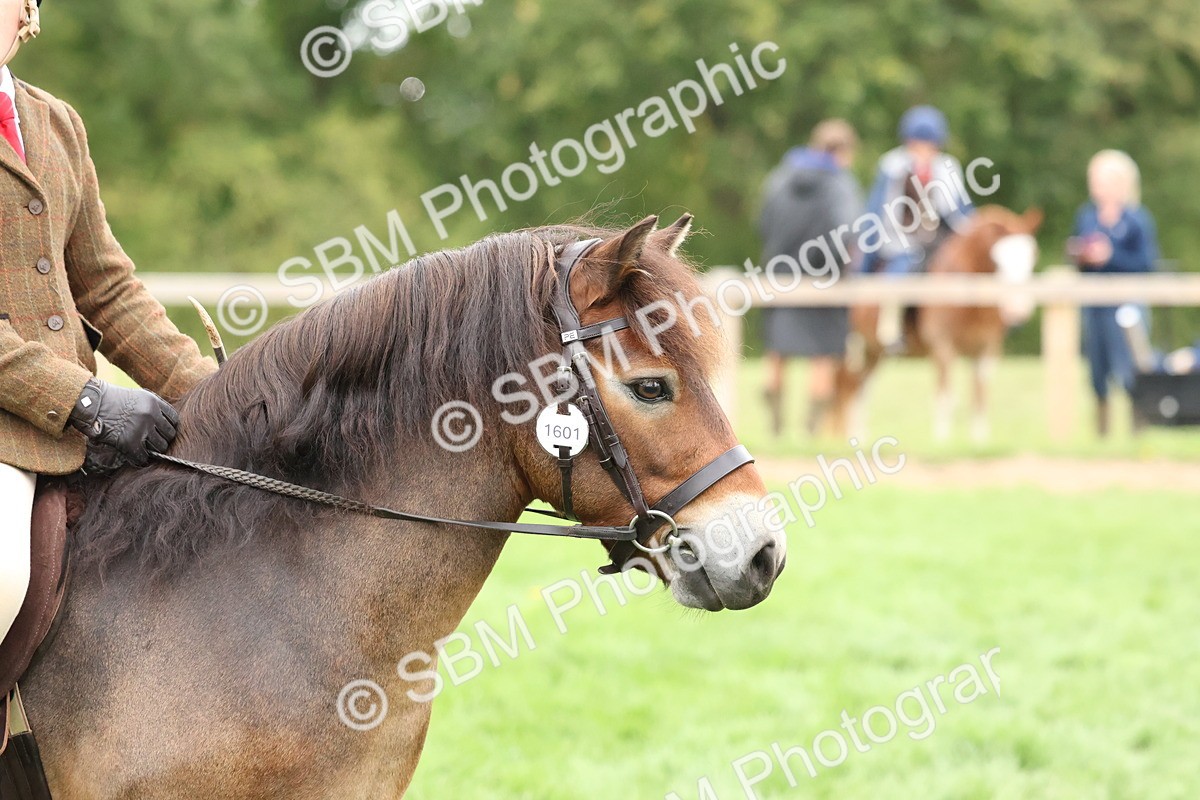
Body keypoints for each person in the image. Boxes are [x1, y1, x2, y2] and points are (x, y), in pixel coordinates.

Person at [0, 0, 217, 652]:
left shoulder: (55, 122)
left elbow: (108, 289)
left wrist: (211, 393)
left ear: (26, 10)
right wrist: (83, 398)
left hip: (68, 432)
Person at [759, 118, 862, 436]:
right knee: (823, 354)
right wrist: (837, 265)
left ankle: (775, 428)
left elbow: (761, 223)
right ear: (844, 151)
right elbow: (848, 230)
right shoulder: (840, 185)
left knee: (778, 351)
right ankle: (811, 432)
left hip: (779, 276)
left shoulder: (779, 178)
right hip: (824, 281)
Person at [861, 105, 974, 347]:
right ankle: (889, 328)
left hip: (939, 237)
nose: (923, 151)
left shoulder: (946, 167)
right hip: (901, 237)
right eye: (918, 144)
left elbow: (961, 210)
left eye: (929, 145)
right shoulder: (892, 166)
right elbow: (878, 209)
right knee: (900, 269)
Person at [1068, 149, 1158, 437]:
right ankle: (1102, 435)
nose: (1095, 185)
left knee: (1130, 370)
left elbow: (1146, 263)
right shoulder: (1087, 216)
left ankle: (1137, 431)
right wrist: (1081, 255)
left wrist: (1110, 256)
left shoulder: (1137, 220)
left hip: (1127, 306)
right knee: (1097, 371)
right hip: (1095, 307)